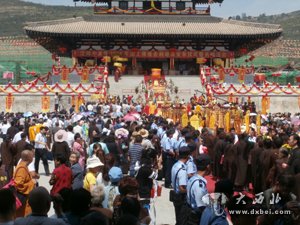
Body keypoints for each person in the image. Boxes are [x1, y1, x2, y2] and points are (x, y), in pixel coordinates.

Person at [184, 154, 211, 225]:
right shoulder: (199, 184)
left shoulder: (193, 178)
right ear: (208, 166)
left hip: (190, 213)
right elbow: (202, 207)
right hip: (196, 218)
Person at [170, 146, 190, 225]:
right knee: (182, 220)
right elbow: (182, 188)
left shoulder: (175, 165)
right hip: (181, 197)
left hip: (175, 195)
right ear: (188, 156)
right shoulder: (182, 170)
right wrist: (190, 190)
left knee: (178, 217)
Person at [14, 150, 35, 218]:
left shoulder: (24, 166)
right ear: (28, 158)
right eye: (32, 156)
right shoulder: (21, 169)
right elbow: (18, 185)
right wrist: (31, 183)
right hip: (22, 202)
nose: (33, 158)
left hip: (26, 200)